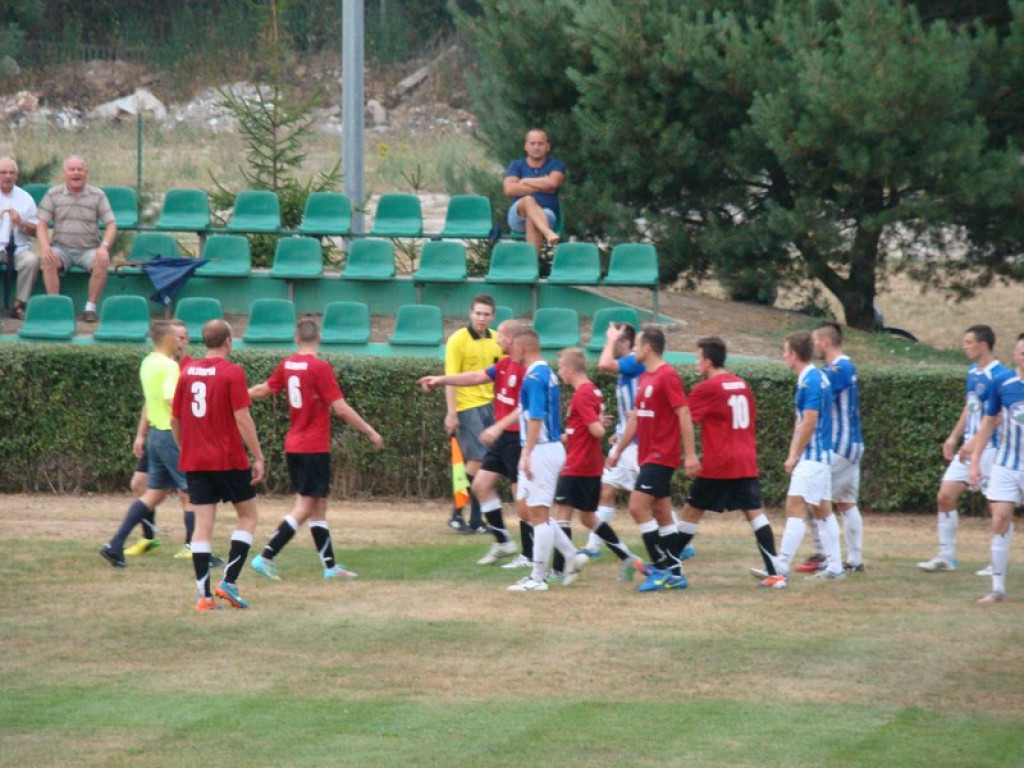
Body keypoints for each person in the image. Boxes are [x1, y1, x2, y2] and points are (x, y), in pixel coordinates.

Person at [248, 318, 384, 581]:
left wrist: (239, 394)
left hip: (295, 445)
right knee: (304, 507)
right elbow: (341, 408)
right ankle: (265, 556)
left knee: (319, 505)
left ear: (297, 339)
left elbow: (265, 389)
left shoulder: (287, 364)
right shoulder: (320, 368)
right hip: (313, 447)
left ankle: (330, 566)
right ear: (318, 337)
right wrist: (371, 432)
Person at [666, 337, 780, 585]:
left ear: (707, 361)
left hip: (720, 462)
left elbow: (683, 418)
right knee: (755, 514)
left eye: (698, 358)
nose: (697, 363)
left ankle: (670, 568)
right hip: (745, 459)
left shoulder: (707, 388)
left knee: (691, 511)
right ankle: (775, 572)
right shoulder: (742, 385)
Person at [171, 319, 264, 612]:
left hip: (196, 459)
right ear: (228, 342)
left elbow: (175, 419)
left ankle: (204, 596)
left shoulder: (187, 373)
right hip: (228, 457)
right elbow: (242, 418)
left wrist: (185, 447)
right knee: (248, 516)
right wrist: (258, 456)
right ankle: (229, 583)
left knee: (203, 525)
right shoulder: (232, 372)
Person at [419, 320, 528, 566]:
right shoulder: (502, 365)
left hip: (516, 438)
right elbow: (476, 376)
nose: (496, 339)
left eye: (500, 336)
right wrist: (441, 379)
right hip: (501, 438)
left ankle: (531, 555)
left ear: (511, 339)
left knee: (522, 500)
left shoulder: (526, 370)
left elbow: (527, 408)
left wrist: (499, 426)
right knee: (480, 484)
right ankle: (503, 542)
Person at [607, 327, 698, 592]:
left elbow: (683, 414)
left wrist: (690, 454)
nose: (633, 349)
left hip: (662, 454)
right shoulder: (646, 377)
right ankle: (676, 573)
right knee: (660, 513)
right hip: (648, 454)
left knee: (637, 507)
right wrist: (617, 451)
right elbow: (635, 419)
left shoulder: (667, 375)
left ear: (647, 348)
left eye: (636, 345)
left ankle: (659, 569)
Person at [918, 324, 1011, 573]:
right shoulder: (973, 372)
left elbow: (1000, 415)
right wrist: (954, 437)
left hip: (990, 449)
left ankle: (996, 562)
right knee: (945, 496)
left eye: (969, 342)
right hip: (969, 447)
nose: (964, 346)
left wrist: (973, 443)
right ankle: (946, 556)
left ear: (983, 345)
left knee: (997, 506)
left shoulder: (999, 375)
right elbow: (970, 406)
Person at [99, 320, 193, 567]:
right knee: (192, 490)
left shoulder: (148, 362)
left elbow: (151, 402)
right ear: (167, 339)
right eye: (177, 337)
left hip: (155, 436)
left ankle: (115, 544)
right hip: (170, 435)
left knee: (153, 494)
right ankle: (196, 547)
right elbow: (172, 400)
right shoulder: (169, 366)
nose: (181, 342)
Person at [507, 330, 587, 591]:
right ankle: (572, 556)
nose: (509, 350)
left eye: (511, 346)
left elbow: (536, 417)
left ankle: (537, 578)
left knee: (539, 513)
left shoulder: (534, 377)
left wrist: (528, 453)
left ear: (521, 346)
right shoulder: (545, 374)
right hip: (540, 448)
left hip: (542, 449)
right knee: (528, 509)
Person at [759, 331, 841, 588]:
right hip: (820, 457)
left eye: (785, 352)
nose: (784, 357)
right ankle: (836, 566)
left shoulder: (810, 381)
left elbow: (809, 421)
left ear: (794, 355)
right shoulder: (816, 377)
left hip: (813, 458)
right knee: (822, 510)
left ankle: (781, 567)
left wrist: (794, 454)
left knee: (795, 506)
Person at [553, 347, 639, 580]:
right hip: (589, 464)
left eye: (561, 368)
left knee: (562, 513)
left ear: (570, 370)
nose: (559, 372)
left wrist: (598, 425)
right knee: (588, 517)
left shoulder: (582, 394)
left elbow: (596, 431)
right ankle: (627, 557)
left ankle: (561, 569)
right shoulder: (593, 391)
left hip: (578, 463)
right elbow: (583, 428)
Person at [796, 323, 866, 573]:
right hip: (852, 445)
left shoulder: (839, 368)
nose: (813, 346)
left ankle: (824, 556)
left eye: (815, 341)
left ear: (825, 343)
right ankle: (855, 560)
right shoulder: (843, 367)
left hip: (839, 445)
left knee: (812, 499)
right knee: (846, 502)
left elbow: (818, 389)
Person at [580, 321, 645, 558]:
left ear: (625, 344)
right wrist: (620, 428)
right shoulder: (629, 366)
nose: (609, 346)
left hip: (638, 443)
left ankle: (677, 536)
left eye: (616, 341)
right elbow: (630, 405)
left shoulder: (634, 360)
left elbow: (604, 363)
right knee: (606, 489)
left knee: (653, 498)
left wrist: (610, 339)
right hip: (626, 439)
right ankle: (593, 546)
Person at [969, 333, 1024, 604]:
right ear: (1014, 355)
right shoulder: (1004, 383)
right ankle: (997, 588)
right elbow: (989, 422)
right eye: (1021, 353)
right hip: (1007, 463)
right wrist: (976, 461)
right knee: (1000, 518)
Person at [442, 294, 503, 533]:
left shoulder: (498, 339)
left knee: (483, 462)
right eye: (478, 313)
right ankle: (458, 514)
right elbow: (451, 379)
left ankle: (475, 520)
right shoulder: (457, 340)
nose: (481, 318)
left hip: (491, 405)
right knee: (478, 459)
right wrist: (452, 413)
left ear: (493, 316)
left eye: (486, 314)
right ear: (470, 313)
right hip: (467, 406)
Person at [36, 155, 116, 322]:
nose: (76, 173)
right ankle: (55, 306)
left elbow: (111, 225)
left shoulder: (98, 195)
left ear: (86, 173)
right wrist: (44, 246)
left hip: (89, 249)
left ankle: (90, 308)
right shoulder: (53, 194)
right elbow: (41, 223)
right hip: (61, 248)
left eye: (80, 169)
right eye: (72, 169)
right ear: (64, 173)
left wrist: (104, 247)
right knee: (48, 259)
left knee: (102, 260)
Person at [503, 128, 565, 253]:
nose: (536, 147)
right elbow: (509, 189)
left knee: (533, 216)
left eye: (541, 144)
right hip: (518, 216)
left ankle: (531, 266)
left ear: (547, 147)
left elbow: (553, 183)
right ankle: (547, 233)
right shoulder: (516, 165)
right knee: (528, 200)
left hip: (547, 215)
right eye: (532, 143)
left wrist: (525, 181)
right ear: (526, 146)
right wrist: (543, 183)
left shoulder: (556, 165)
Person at [0, 157, 40, 320]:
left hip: (18, 248)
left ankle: (18, 305)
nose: (7, 176)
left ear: (16, 176)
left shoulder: (26, 198)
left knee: (31, 261)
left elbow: (36, 232)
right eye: (3, 172)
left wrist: (21, 222)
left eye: (11, 173)